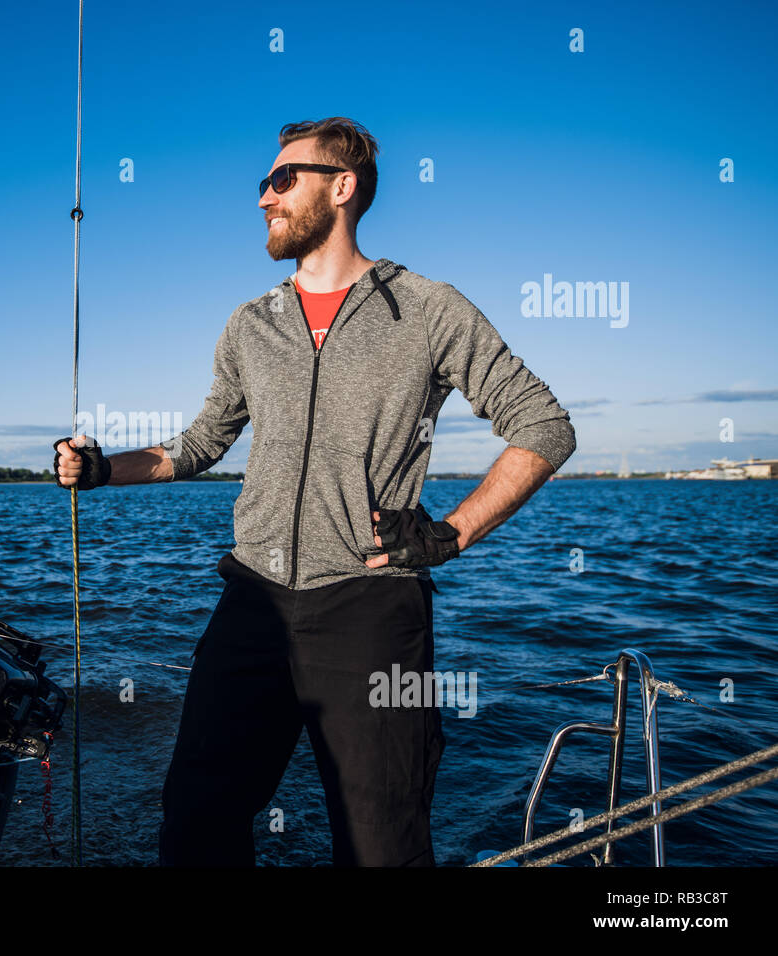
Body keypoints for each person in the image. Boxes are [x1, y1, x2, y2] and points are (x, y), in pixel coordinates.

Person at [52, 117, 576, 866]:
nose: (264, 198)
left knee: (380, 843)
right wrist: (105, 469)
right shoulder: (250, 324)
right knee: (196, 821)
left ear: (341, 186)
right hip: (253, 602)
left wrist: (453, 533)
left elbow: (544, 426)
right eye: (263, 183)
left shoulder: (428, 309)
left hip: (369, 609)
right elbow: (200, 444)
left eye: (280, 179)